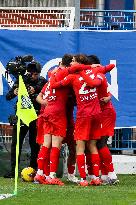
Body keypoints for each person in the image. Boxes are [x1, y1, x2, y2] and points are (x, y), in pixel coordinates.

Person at [50, 54, 106, 186]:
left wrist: (53, 75)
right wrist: (96, 67)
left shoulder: (72, 76)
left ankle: (82, 179)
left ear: (79, 63)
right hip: (96, 113)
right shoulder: (93, 72)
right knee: (92, 146)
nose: (71, 63)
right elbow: (109, 68)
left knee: (79, 147)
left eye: (74, 61)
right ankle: (96, 177)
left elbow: (54, 84)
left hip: (83, 116)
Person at [4, 61, 47, 178]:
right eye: (33, 74)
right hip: (22, 116)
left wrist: (36, 89)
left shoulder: (42, 81)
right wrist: (14, 92)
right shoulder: (21, 80)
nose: (34, 76)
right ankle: (13, 171)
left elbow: (46, 92)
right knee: (16, 144)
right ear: (29, 72)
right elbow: (8, 97)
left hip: (35, 116)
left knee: (35, 144)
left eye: (36, 74)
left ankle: (33, 170)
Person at [80, 55, 119, 185]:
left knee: (101, 143)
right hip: (98, 113)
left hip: (105, 113)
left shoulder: (99, 76)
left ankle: (111, 174)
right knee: (95, 144)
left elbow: (97, 85)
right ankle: (104, 174)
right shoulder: (98, 75)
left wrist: (108, 97)